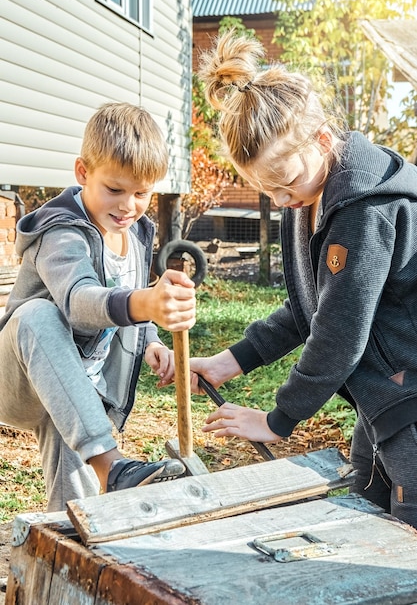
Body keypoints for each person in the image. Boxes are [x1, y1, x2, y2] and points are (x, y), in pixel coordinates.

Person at [189, 30, 417, 528]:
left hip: (409, 395)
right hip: (383, 395)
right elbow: (309, 305)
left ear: (320, 139)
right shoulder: (310, 191)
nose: (278, 199)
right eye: (264, 188)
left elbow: (338, 334)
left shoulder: (364, 211)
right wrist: (232, 361)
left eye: (284, 182)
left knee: (407, 529)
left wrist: (277, 420)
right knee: (365, 512)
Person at [0, 102, 196, 511]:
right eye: (115, 189)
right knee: (37, 314)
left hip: (74, 387)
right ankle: (113, 467)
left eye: (141, 193)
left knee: (78, 495)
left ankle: (74, 541)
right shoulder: (61, 232)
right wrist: (146, 302)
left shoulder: (137, 233)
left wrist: (151, 341)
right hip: (15, 379)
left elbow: (129, 303)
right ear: (83, 173)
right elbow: (79, 300)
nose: (128, 205)